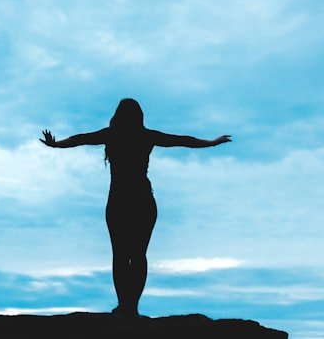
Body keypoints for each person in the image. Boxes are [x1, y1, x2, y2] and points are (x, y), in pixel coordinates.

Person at [40, 98, 231, 317]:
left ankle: (125, 306)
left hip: (119, 201)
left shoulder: (111, 135)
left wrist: (56, 144)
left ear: (117, 116)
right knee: (139, 255)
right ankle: (131, 307)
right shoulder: (146, 136)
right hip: (142, 201)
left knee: (120, 255)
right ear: (139, 117)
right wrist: (212, 142)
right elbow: (182, 140)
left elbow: (80, 139)